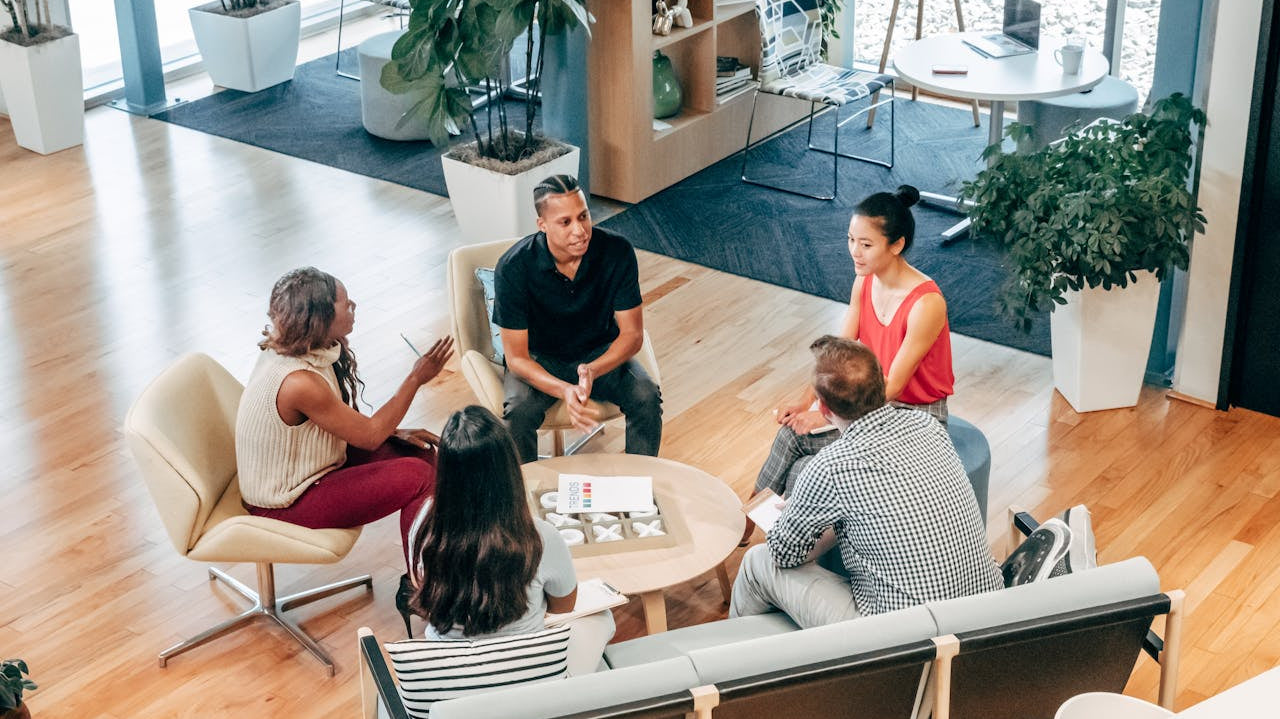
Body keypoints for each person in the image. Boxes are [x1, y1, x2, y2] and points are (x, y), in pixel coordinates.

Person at [235, 267, 454, 635]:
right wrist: (416, 378)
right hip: (285, 499)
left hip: (313, 465)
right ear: (318, 317)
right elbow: (367, 437)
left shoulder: (306, 351)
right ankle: (425, 593)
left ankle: (432, 579)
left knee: (422, 456)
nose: (353, 305)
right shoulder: (298, 381)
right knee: (418, 478)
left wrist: (392, 431)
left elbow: (343, 424)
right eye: (343, 302)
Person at [730, 336, 1000, 629]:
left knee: (758, 563)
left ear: (823, 410)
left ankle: (734, 664)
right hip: (983, 617)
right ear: (883, 383)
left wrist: (801, 514)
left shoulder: (831, 467)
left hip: (902, 639)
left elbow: (784, 554)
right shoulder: (929, 427)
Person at [755, 185, 954, 501]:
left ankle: (778, 538)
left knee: (806, 469)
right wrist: (807, 401)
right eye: (851, 240)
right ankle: (746, 521)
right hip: (867, 402)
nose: (854, 251)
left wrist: (827, 413)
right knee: (789, 439)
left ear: (897, 244)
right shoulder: (865, 280)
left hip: (915, 416)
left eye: (866, 244)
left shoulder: (926, 304)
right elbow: (836, 353)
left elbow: (895, 387)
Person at [408, 406, 615, 675]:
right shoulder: (539, 537)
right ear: (508, 471)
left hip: (451, 672)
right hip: (524, 675)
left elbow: (420, 582)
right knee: (601, 619)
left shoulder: (425, 524)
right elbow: (564, 606)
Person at [494, 174, 662, 463]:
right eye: (565, 222)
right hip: (540, 358)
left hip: (600, 353)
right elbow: (517, 358)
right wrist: (565, 389)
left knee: (646, 397)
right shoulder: (513, 267)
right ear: (542, 225)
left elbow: (632, 335)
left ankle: (639, 485)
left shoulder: (616, 251)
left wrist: (593, 370)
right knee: (518, 411)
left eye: (583, 216)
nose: (580, 231)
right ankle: (522, 496)